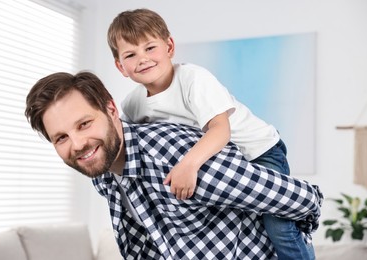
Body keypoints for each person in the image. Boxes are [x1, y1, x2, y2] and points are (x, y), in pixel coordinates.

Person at [25, 71, 322, 260]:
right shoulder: (102, 173)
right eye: (61, 137)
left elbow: (302, 199)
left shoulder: (174, 154)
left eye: (84, 124)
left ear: (111, 109)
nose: (77, 145)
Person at [107, 8, 313, 259]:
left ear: (169, 46)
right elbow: (129, 141)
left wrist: (188, 165)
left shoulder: (193, 79)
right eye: (131, 54)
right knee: (240, 229)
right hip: (222, 165)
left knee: (278, 223)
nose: (142, 58)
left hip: (259, 151)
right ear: (121, 66)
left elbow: (220, 130)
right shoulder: (132, 105)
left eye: (150, 48)